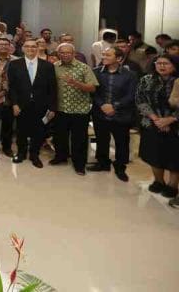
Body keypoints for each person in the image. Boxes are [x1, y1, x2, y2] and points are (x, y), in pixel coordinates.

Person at [88, 47, 138, 182]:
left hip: (122, 114)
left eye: (107, 55)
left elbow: (131, 95)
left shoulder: (130, 75)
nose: (103, 57)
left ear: (119, 58)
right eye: (103, 54)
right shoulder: (96, 72)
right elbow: (93, 92)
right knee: (101, 139)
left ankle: (120, 167)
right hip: (100, 112)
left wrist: (114, 106)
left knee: (122, 142)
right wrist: (102, 105)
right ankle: (103, 163)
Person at [7, 39, 58, 168]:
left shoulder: (47, 66)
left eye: (34, 46)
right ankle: (21, 153)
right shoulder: (14, 64)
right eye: (27, 46)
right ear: (23, 48)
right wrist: (14, 104)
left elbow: (52, 88)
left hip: (41, 105)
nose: (30, 49)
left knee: (39, 131)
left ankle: (34, 155)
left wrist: (52, 107)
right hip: (21, 104)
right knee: (21, 130)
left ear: (38, 48)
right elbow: (11, 87)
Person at [136, 54, 179, 199]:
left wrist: (169, 120)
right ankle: (158, 181)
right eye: (158, 63)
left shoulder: (177, 81)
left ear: (174, 65)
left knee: (175, 157)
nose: (161, 66)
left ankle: (172, 186)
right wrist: (156, 119)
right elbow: (140, 100)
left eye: (166, 63)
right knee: (154, 154)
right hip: (151, 123)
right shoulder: (146, 80)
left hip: (175, 125)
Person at [51, 43, 98, 175]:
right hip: (60, 109)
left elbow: (92, 87)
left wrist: (75, 83)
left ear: (74, 53)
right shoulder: (54, 67)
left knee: (79, 139)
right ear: (58, 54)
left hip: (80, 110)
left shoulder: (84, 68)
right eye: (62, 52)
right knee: (60, 136)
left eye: (68, 52)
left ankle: (79, 164)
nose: (65, 55)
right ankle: (61, 157)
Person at [0, 37, 18, 157]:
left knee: (8, 125)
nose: (3, 46)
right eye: (0, 44)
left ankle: (7, 147)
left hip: (10, 98)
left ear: (10, 47)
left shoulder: (17, 61)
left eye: (6, 44)